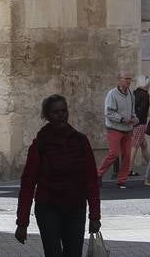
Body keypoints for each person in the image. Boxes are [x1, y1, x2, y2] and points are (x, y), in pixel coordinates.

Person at [15, 94, 100, 257]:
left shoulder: (81, 141)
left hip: (76, 207)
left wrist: (95, 215)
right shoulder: (40, 144)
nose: (60, 115)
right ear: (47, 115)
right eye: (55, 112)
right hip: (48, 207)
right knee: (53, 253)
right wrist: (22, 222)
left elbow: (91, 180)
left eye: (63, 111)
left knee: (74, 253)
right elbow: (28, 184)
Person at [94, 70, 137, 188]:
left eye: (130, 79)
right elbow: (108, 112)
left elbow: (132, 111)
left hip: (127, 129)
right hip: (114, 128)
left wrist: (134, 118)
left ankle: (122, 180)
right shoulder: (112, 94)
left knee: (127, 155)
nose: (128, 81)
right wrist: (122, 119)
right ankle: (98, 174)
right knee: (114, 153)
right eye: (126, 79)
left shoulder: (131, 94)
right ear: (119, 80)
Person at [132, 75, 150, 172]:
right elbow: (143, 110)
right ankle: (128, 169)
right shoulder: (145, 94)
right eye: (148, 83)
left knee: (144, 145)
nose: (149, 85)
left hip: (134, 122)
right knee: (135, 145)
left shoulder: (134, 93)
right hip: (140, 123)